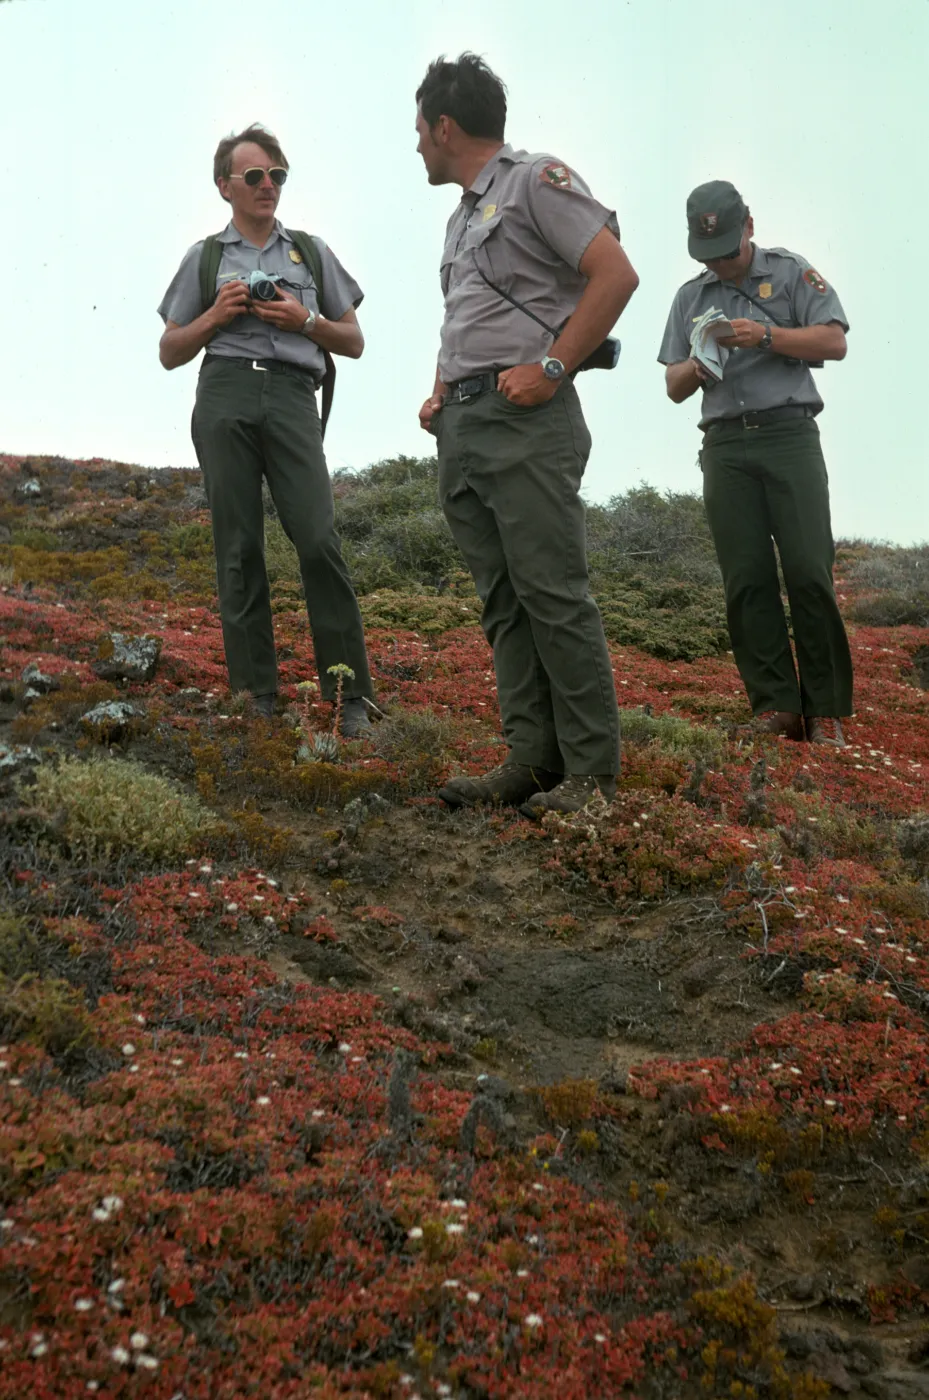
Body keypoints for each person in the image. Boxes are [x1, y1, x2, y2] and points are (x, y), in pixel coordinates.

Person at [415, 54, 639, 816]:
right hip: (468, 422)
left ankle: (591, 777)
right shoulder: (461, 215)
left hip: (526, 420)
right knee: (504, 601)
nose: (415, 144)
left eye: (419, 129)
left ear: (445, 126)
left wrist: (551, 366)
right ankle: (532, 760)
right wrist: (444, 387)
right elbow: (477, 315)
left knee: (551, 593)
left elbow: (615, 275)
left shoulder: (534, 180)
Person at [157, 123, 374, 733]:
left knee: (318, 539)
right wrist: (215, 316)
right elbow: (170, 350)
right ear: (224, 185)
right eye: (254, 176)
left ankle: (349, 694)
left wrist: (304, 320)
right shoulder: (204, 258)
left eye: (277, 175)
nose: (268, 186)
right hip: (224, 388)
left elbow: (353, 340)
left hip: (291, 394)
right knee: (238, 544)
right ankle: (257, 695)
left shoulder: (310, 250)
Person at [658, 179, 853, 747]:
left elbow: (833, 342)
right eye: (706, 255)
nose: (718, 264)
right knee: (745, 578)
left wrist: (765, 335)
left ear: (749, 226)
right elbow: (671, 384)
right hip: (724, 445)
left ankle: (825, 710)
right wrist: (700, 364)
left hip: (789, 435)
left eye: (726, 252)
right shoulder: (690, 297)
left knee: (809, 572)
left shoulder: (791, 272)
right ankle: (775, 706)